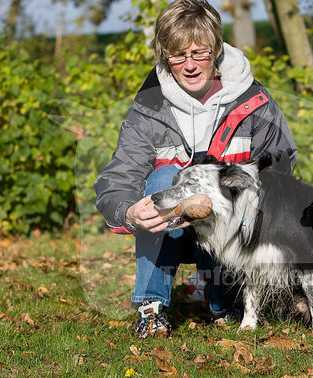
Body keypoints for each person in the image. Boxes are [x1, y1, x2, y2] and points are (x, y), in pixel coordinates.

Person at [94, 0, 297, 338]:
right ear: (163, 56)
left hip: (233, 231)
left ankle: (223, 302)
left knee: (227, 190)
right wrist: (129, 212)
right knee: (162, 179)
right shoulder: (149, 108)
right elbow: (119, 175)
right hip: (167, 231)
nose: (189, 65)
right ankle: (152, 308)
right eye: (177, 55)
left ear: (216, 49)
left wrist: (233, 183)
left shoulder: (255, 101)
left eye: (199, 53)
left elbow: (281, 163)